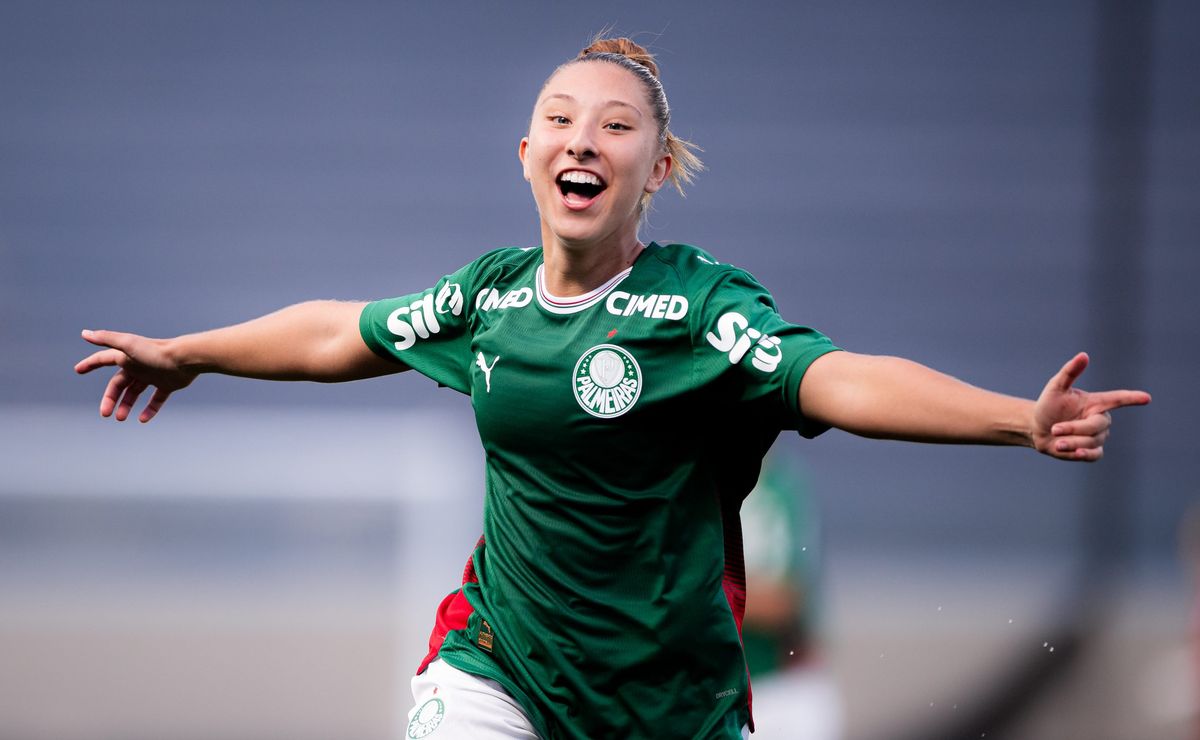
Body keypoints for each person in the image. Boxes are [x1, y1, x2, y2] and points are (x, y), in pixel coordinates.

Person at [74, 37, 1150, 740]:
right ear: (529, 151)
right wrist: (191, 348)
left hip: (668, 707)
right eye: (559, 116)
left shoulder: (699, 308)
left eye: (616, 123)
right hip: (495, 663)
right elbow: (338, 332)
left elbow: (841, 377)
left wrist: (1017, 418)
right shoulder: (489, 297)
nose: (582, 135)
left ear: (656, 167)